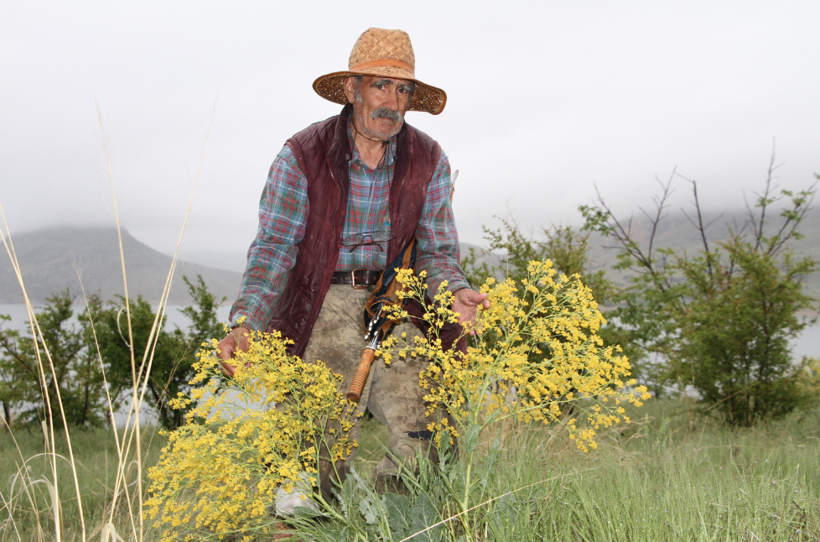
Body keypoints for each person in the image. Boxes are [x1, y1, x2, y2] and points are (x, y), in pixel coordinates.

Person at [218, 27, 489, 498]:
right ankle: (309, 522)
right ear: (351, 89)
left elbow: (437, 252)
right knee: (314, 443)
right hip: (321, 300)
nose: (392, 101)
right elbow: (275, 246)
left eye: (403, 90)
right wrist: (248, 321)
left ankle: (391, 521)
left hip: (397, 303)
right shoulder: (302, 154)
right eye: (380, 85)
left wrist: (454, 292)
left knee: (428, 430)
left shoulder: (429, 159)